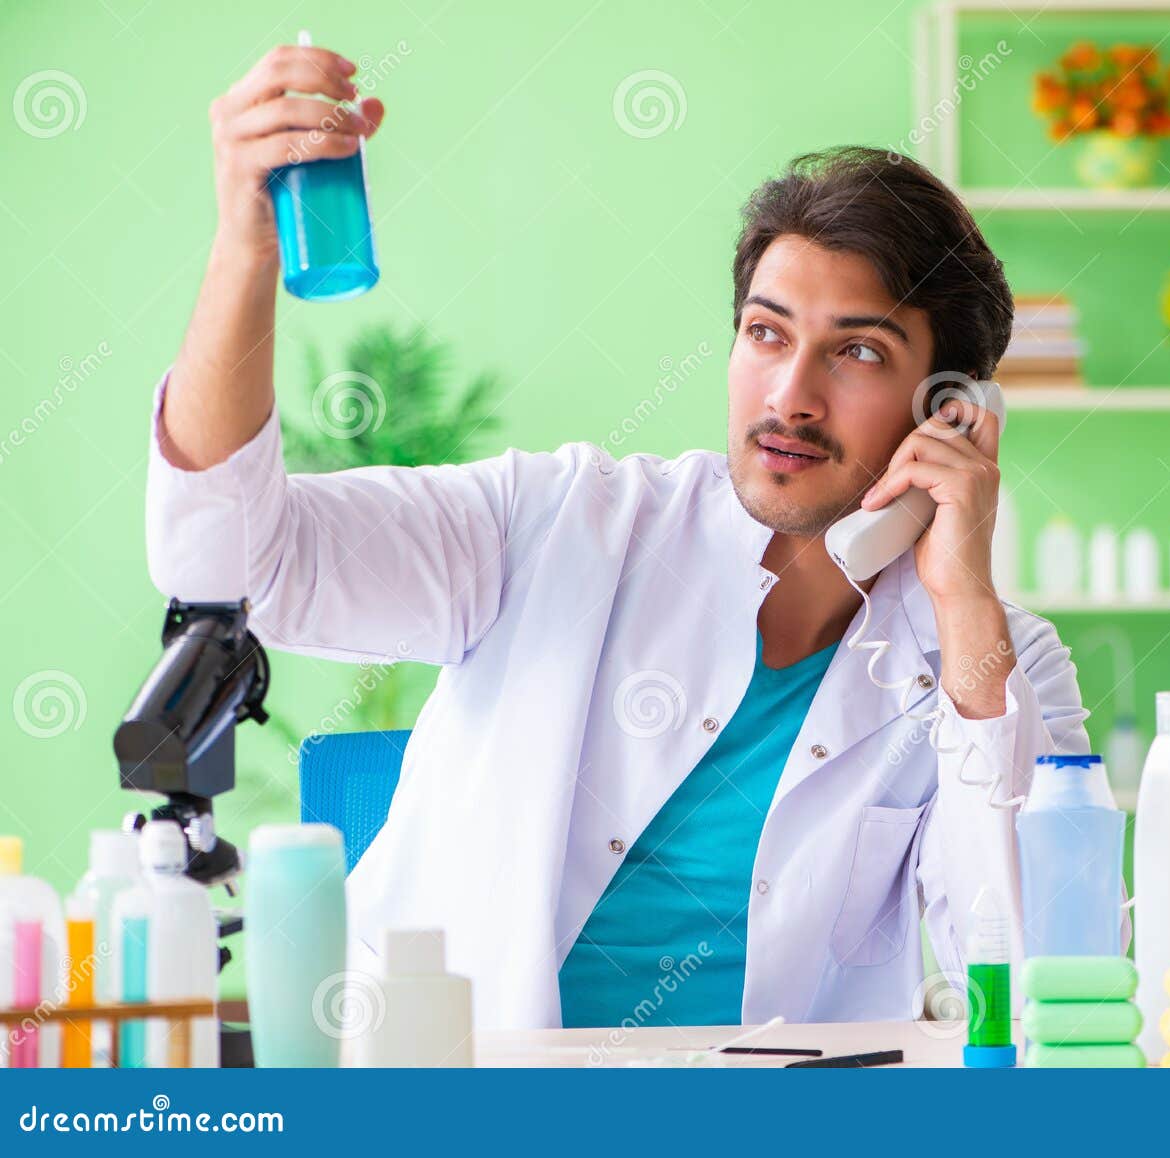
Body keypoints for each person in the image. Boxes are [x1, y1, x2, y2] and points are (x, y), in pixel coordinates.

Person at [147, 43, 1089, 1031]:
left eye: (856, 352)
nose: (789, 396)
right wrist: (244, 254)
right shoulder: (555, 523)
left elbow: (1042, 981)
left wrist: (963, 610)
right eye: (766, 334)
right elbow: (230, 564)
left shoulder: (999, 663)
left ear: (951, 411)